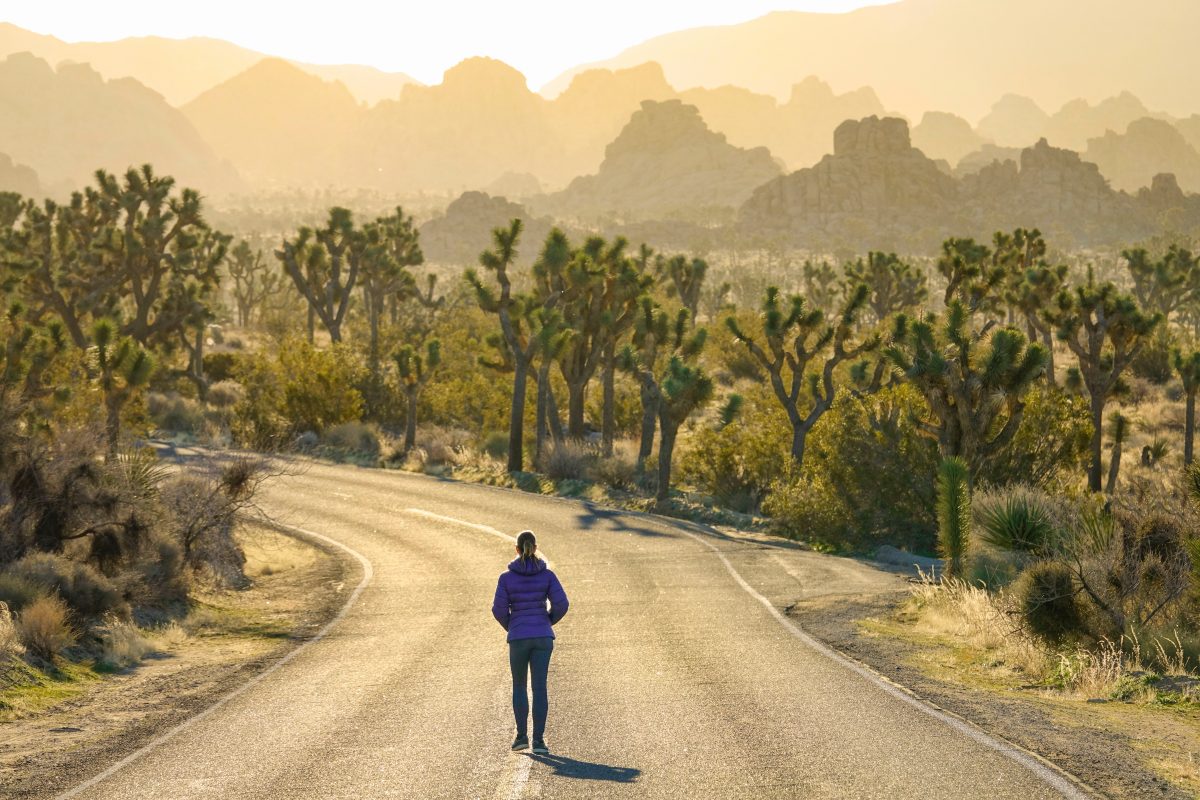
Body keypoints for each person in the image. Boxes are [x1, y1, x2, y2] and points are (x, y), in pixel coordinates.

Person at [491, 530, 569, 755]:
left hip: (519, 637)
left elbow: (498, 609)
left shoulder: (506, 578)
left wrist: (512, 625)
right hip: (542, 636)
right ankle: (539, 741)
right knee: (539, 687)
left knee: (519, 685)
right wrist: (547, 623)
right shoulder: (547, 576)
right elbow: (562, 604)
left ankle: (521, 737)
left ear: (517, 549)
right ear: (535, 548)